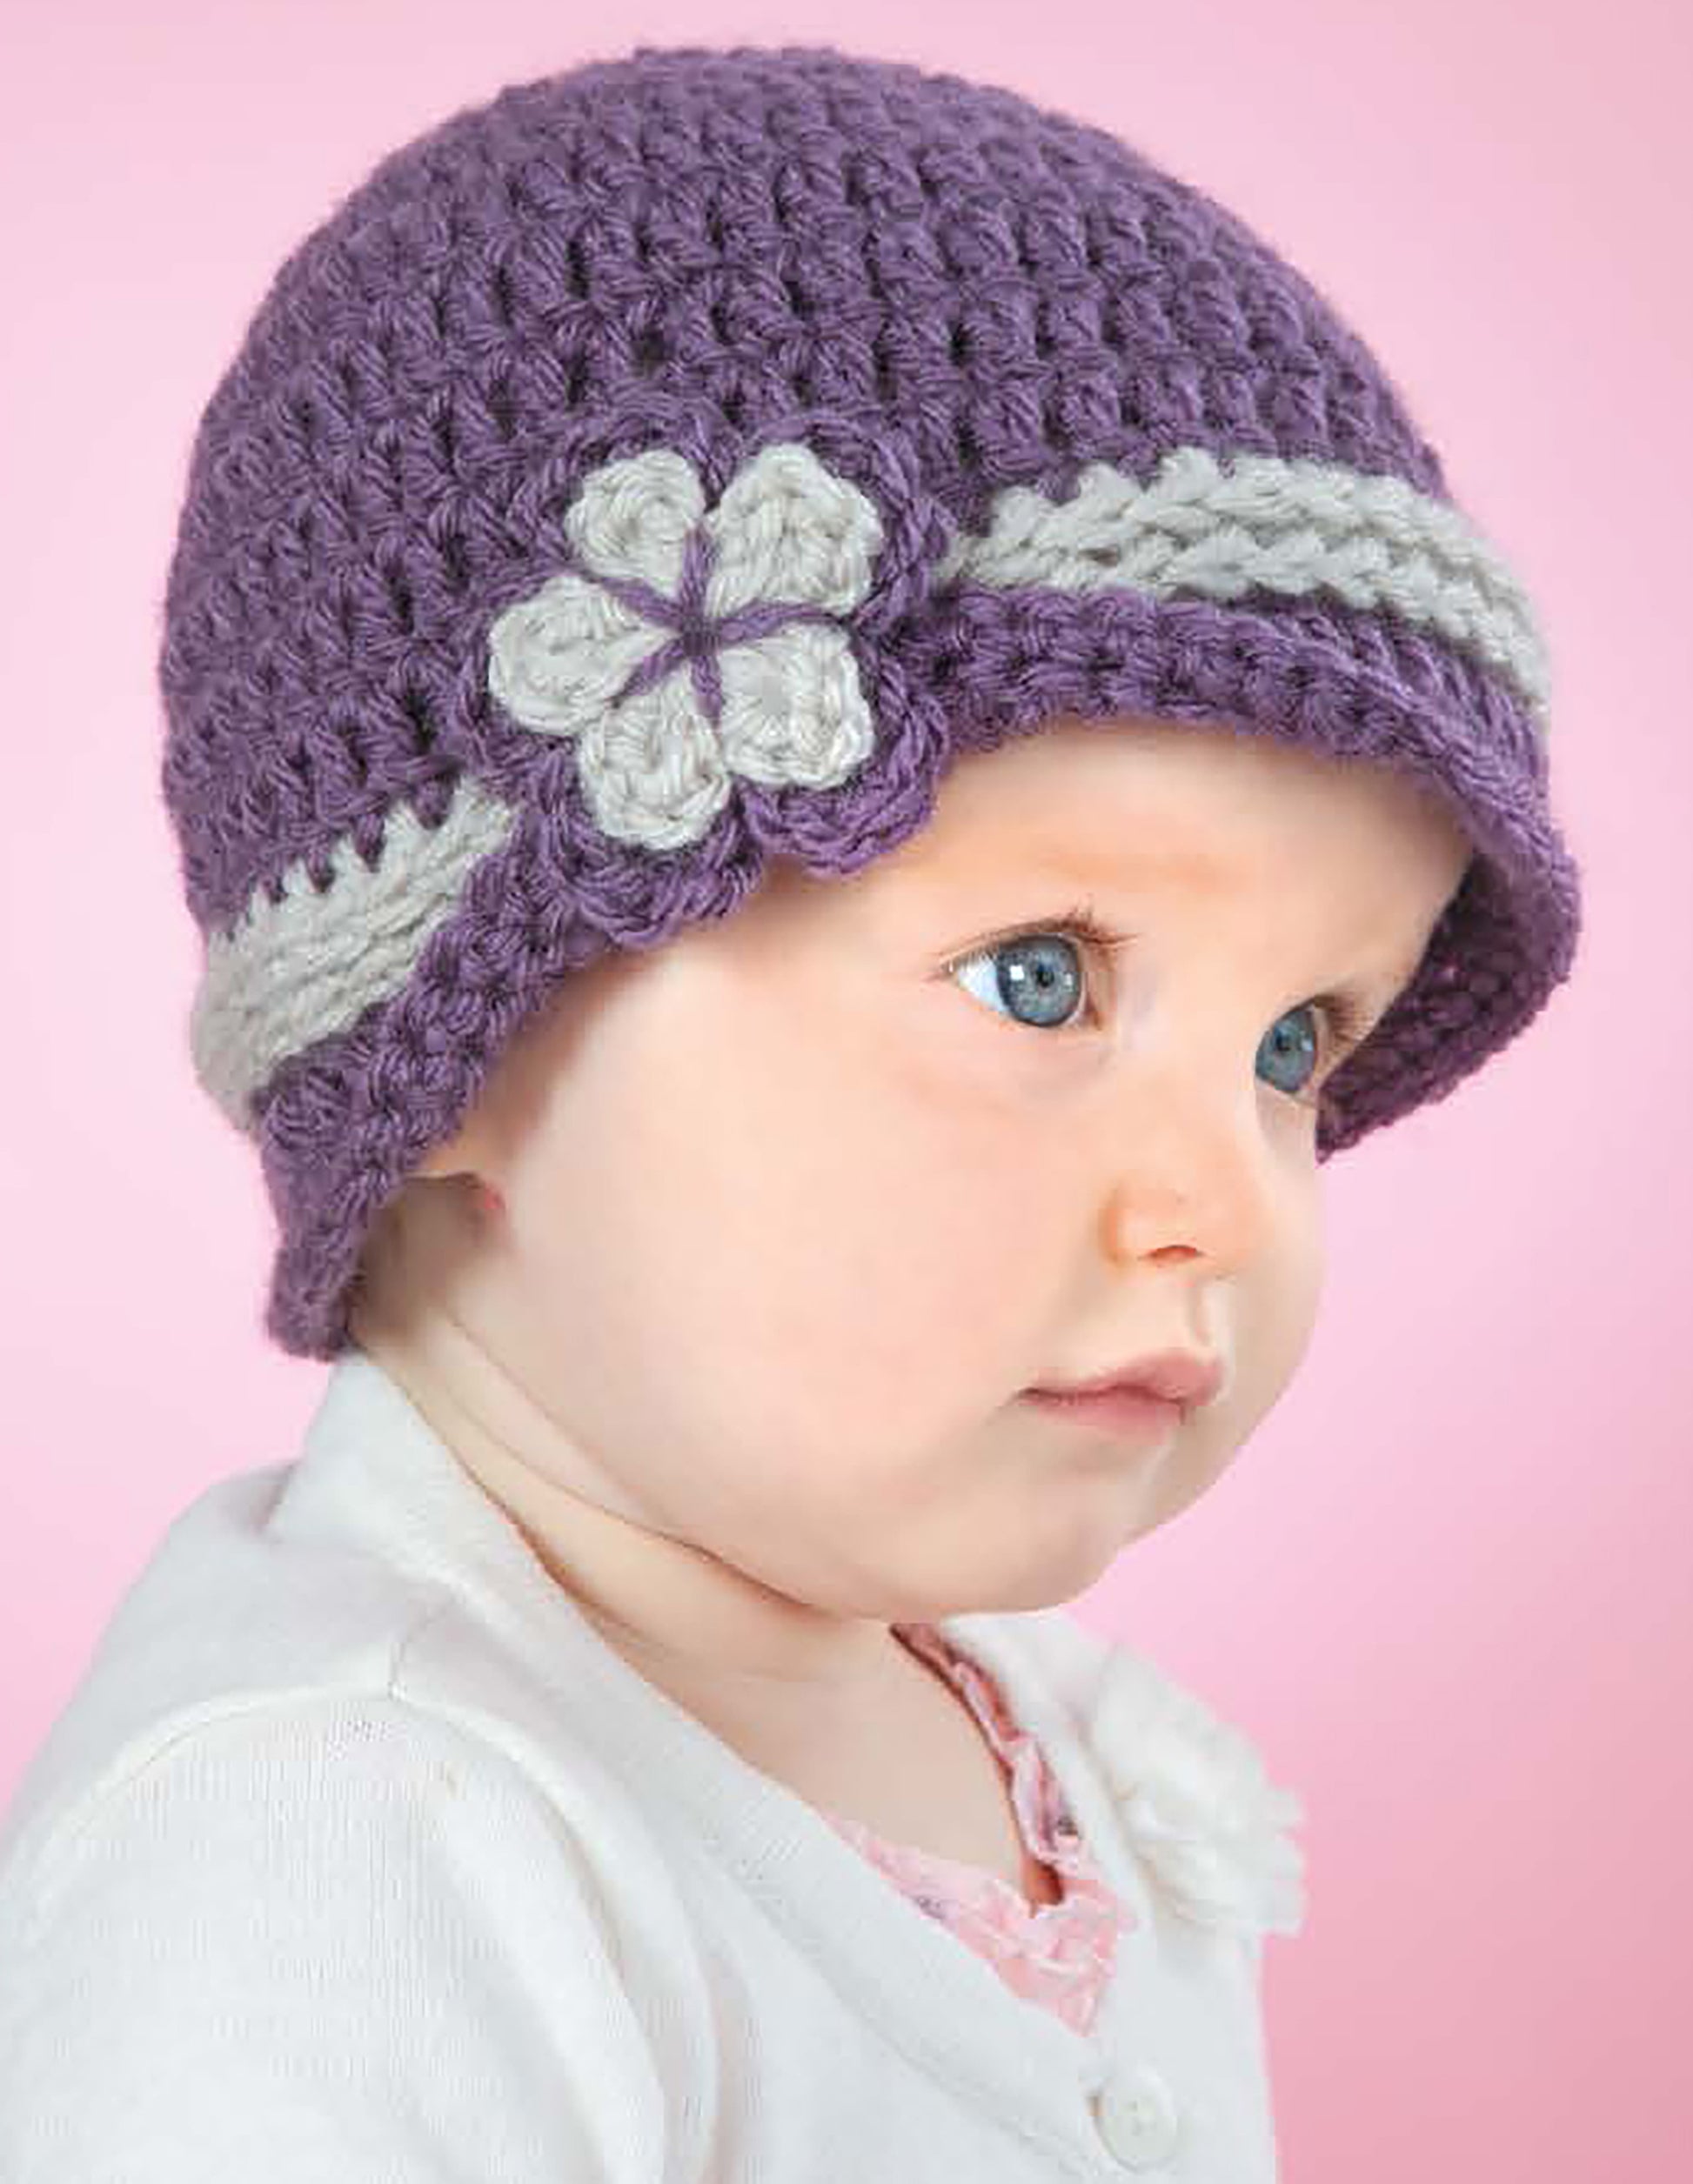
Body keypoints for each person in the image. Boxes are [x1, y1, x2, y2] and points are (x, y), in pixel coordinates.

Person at [0, 42, 1580, 2181]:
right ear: (473, 1028)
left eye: (1296, 1039)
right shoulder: (341, 1845)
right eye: (1042, 978)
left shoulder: (994, 1722)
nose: (1224, 1195)